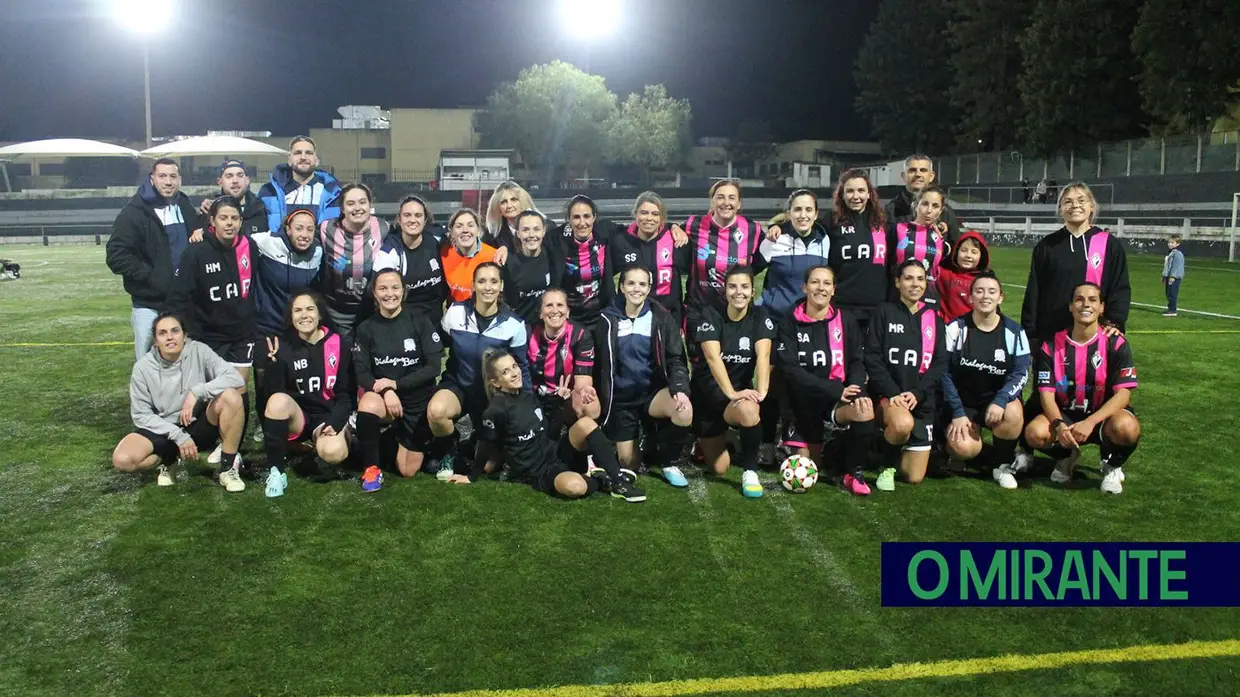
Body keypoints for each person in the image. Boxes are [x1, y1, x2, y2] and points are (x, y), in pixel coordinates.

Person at [448, 352, 645, 502]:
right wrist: (472, 476)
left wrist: (559, 404)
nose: (514, 373)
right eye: (505, 372)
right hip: (540, 472)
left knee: (586, 423)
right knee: (574, 487)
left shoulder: (528, 397)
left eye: (514, 366)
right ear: (495, 383)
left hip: (556, 453)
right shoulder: (495, 411)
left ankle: (618, 480)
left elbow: (549, 434)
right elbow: (485, 444)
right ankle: (601, 481)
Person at [166, 196, 259, 463]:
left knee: (239, 387)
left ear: (241, 221)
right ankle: (196, 439)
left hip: (242, 333)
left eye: (234, 218)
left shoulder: (248, 247)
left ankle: (233, 447)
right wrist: (180, 331)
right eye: (223, 218)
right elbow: (180, 296)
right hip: (208, 336)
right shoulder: (196, 251)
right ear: (212, 221)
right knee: (209, 392)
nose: (229, 223)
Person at [1024, 283, 1140, 494]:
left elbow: (1123, 394)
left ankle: (1112, 465)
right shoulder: (1051, 345)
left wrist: (1090, 422)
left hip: (1102, 418)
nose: (1085, 304)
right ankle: (1066, 456)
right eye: (1079, 299)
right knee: (1035, 433)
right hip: (1067, 416)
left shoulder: (1116, 343)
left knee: (1127, 428)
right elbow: (1046, 394)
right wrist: (1059, 425)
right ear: (1070, 306)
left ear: (1102, 307)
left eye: (1092, 300)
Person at [111, 312, 246, 491]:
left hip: (198, 423)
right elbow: (141, 415)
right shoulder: (142, 368)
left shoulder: (199, 350)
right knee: (123, 459)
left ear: (185, 335)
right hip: (164, 430)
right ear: (155, 340)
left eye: (175, 331)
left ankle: (227, 470)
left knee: (231, 397)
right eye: (162, 333)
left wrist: (197, 392)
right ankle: (168, 459)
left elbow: (235, 378)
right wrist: (178, 436)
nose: (169, 337)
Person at [777, 265, 878, 495]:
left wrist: (857, 390)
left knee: (864, 409)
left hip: (836, 400)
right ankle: (805, 441)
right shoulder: (789, 322)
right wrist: (832, 390)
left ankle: (853, 472)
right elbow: (791, 370)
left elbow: (856, 361)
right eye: (814, 282)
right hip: (801, 403)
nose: (820, 288)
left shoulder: (846, 320)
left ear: (834, 289)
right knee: (807, 468)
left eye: (826, 283)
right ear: (804, 287)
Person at [427, 262, 531, 479]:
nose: (488, 287)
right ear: (473, 284)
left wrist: (525, 405)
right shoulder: (455, 312)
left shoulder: (514, 324)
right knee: (436, 412)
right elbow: (438, 345)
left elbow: (521, 367)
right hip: (458, 385)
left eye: (494, 281)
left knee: (488, 466)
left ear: (501, 285)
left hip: (493, 395)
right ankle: (450, 449)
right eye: (481, 281)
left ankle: (477, 436)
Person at [594, 265, 693, 477]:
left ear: (649, 289)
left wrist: (680, 389)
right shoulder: (606, 320)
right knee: (628, 464)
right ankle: (641, 438)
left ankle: (668, 460)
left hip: (652, 395)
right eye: (630, 283)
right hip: (621, 400)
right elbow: (599, 366)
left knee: (684, 411)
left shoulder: (661, 318)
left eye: (642, 284)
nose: (636, 289)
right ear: (621, 287)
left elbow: (676, 359)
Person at [352, 270, 445, 485]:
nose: (389, 294)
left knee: (407, 470)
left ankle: (409, 437)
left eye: (395, 287)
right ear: (374, 293)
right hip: (387, 400)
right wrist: (386, 390)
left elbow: (433, 368)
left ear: (403, 291)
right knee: (367, 403)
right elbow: (362, 373)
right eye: (383, 288)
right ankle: (371, 470)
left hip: (418, 402)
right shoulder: (366, 328)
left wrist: (396, 384)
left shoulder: (419, 321)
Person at [106, 158, 204, 361]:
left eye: (173, 176)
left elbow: (196, 238)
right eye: (162, 176)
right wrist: (153, 277)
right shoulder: (134, 212)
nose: (168, 182)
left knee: (186, 364)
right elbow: (116, 255)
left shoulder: (184, 204)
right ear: (152, 179)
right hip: (149, 304)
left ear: (180, 180)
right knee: (147, 364)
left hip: (183, 302)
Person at [689, 266, 775, 497]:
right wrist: (731, 393)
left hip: (736, 401)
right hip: (708, 398)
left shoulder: (759, 316)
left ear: (752, 291)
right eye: (733, 287)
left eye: (745, 287)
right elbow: (712, 357)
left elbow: (764, 355)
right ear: (725, 290)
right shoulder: (710, 314)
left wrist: (761, 392)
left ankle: (750, 472)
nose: (739, 292)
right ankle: (714, 437)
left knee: (749, 409)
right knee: (719, 468)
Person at [939, 272, 1030, 489]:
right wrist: (958, 412)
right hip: (963, 404)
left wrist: (1001, 400)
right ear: (970, 297)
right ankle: (952, 449)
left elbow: (1021, 373)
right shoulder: (955, 329)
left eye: (991, 292)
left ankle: (1002, 464)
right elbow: (943, 373)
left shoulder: (1014, 332)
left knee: (1014, 411)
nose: (985, 296)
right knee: (965, 448)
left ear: (1000, 298)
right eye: (979, 291)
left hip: (995, 402)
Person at [260, 291, 354, 497]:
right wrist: (272, 366)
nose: (304, 315)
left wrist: (335, 421)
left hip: (325, 417)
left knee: (333, 453)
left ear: (320, 314)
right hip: (298, 417)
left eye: (310, 309)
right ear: (291, 317)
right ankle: (276, 472)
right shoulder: (281, 347)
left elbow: (346, 394)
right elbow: (273, 397)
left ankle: (336, 440)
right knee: (277, 402)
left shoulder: (339, 344)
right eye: (298, 310)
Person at [864, 260, 947, 491]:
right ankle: (886, 466)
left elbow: (940, 364)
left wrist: (919, 393)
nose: (915, 284)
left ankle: (881, 446)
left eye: (920, 279)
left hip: (921, 402)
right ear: (898, 282)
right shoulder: (884, 312)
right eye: (908, 278)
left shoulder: (934, 318)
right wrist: (893, 392)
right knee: (901, 424)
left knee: (913, 477)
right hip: (889, 398)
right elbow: (872, 357)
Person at [1020, 181, 1131, 346]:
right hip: (1051, 337)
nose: (1075, 206)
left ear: (1092, 206)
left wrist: (1115, 321)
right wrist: (1030, 334)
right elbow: (1034, 293)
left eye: (1081, 200)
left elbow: (1119, 287)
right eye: (1068, 201)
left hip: (1094, 337)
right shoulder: (1046, 246)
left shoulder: (1109, 245)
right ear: (1060, 209)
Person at [683, 180, 765, 323]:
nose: (726, 202)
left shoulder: (753, 230)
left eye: (732, 198)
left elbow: (759, 263)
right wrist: (673, 227)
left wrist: (779, 228)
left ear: (739, 203)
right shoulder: (693, 225)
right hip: (700, 311)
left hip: (738, 312)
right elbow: (663, 233)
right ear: (712, 201)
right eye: (720, 197)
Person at [608, 192, 691, 324]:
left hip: (668, 318)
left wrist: (673, 225)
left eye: (655, 214)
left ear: (662, 218)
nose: (649, 218)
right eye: (644, 212)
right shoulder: (621, 241)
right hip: (631, 317)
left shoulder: (675, 240)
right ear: (636, 213)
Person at [824, 169, 890, 335]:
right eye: (850, 191)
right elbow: (803, 226)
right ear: (842, 194)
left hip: (877, 306)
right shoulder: (831, 221)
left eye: (861, 190)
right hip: (843, 305)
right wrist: (779, 227)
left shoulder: (883, 222)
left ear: (869, 194)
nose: (856, 196)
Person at [317, 183, 388, 337]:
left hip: (372, 310)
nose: (357, 208)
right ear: (342, 208)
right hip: (336, 312)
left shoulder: (383, 228)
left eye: (362, 202)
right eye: (350, 203)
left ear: (370, 205)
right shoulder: (326, 229)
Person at [528, 288, 600, 440]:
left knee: (590, 407)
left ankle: (579, 445)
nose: (555, 310)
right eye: (549, 305)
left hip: (566, 396)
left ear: (568, 312)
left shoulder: (580, 334)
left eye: (560, 305)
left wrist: (585, 390)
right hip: (535, 398)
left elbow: (583, 380)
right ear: (540, 313)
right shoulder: (527, 332)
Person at [368, 195, 450, 326]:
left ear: (425, 220)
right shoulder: (390, 252)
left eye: (418, 215)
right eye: (407, 215)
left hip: (434, 322)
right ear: (399, 220)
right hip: (403, 324)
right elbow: (377, 292)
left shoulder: (437, 240)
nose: (413, 220)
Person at [755, 189, 830, 321]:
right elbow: (751, 270)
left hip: (810, 321)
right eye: (797, 209)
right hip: (776, 319)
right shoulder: (774, 239)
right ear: (789, 214)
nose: (803, 215)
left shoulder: (825, 240)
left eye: (808, 209)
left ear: (816, 214)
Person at [258, 136, 342, 233]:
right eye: (298, 153)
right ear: (289, 160)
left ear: (316, 161)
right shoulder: (268, 191)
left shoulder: (334, 192)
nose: (303, 157)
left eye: (309, 153)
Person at [559, 195, 616, 327]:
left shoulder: (604, 232)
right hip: (570, 319)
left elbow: (634, 231)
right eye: (576, 217)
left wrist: (672, 226)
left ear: (594, 217)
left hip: (601, 316)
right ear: (569, 219)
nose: (582, 222)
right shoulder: (557, 240)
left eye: (586, 216)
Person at [890, 185, 949, 309]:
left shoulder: (940, 237)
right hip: (897, 298)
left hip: (929, 300)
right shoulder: (899, 229)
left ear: (941, 210)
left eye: (935, 206)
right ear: (915, 205)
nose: (929, 210)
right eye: (924, 204)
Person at [502, 209, 565, 323]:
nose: (531, 235)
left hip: (548, 326)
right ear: (518, 233)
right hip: (520, 327)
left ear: (543, 231)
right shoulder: (508, 262)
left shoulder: (553, 256)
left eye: (536, 229)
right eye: (525, 230)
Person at [883, 154, 960, 243]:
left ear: (931, 176)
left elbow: (955, 247)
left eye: (923, 170)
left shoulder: (945, 212)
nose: (918, 174)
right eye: (912, 170)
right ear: (904, 176)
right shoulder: (890, 211)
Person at [442, 208, 500, 303]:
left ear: (478, 230)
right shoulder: (444, 254)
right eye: (459, 226)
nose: (465, 230)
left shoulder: (494, 256)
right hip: (456, 313)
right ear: (452, 232)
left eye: (470, 225)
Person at [198, 159, 268, 236]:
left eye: (240, 175)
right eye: (229, 176)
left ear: (247, 180)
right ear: (220, 182)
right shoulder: (210, 209)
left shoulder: (261, 208)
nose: (235, 180)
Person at [935, 230, 991, 322]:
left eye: (974, 252)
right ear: (956, 252)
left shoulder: (986, 282)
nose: (968, 255)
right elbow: (929, 261)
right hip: (949, 332)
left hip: (974, 331)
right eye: (964, 250)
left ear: (981, 256)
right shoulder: (946, 276)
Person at [483, 180, 537, 251]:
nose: (509, 206)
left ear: (523, 201)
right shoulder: (491, 235)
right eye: (503, 202)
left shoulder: (548, 227)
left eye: (514, 200)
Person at [1161, 234, 1185, 317]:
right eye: (1169, 242)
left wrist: (1173, 277)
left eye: (1172, 243)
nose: (1170, 244)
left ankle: (1172, 310)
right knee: (1168, 293)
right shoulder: (1171, 253)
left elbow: (1177, 266)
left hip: (1174, 277)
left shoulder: (1178, 254)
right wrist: (1164, 276)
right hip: (1169, 276)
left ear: (1177, 244)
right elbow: (1167, 266)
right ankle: (1170, 309)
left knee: (1172, 293)